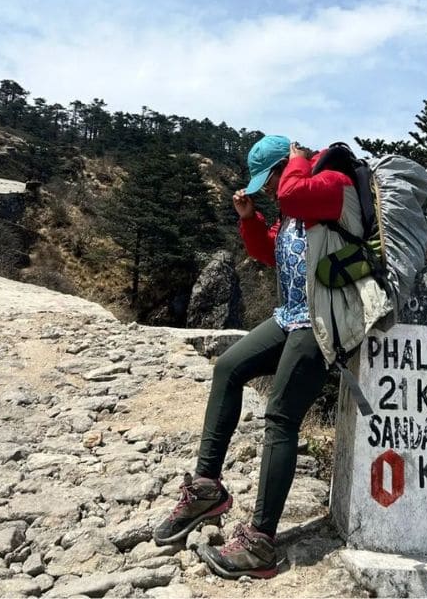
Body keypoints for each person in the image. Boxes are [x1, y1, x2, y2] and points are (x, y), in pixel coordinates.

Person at [153, 135, 357, 579]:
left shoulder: (332, 184)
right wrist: (251, 220)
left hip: (322, 324)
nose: (268, 190)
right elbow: (270, 255)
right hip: (289, 316)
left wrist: (300, 163)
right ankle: (207, 488)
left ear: (291, 163)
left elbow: (291, 191)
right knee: (228, 367)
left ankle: (261, 544)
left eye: (271, 179)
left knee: (280, 417)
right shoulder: (290, 208)